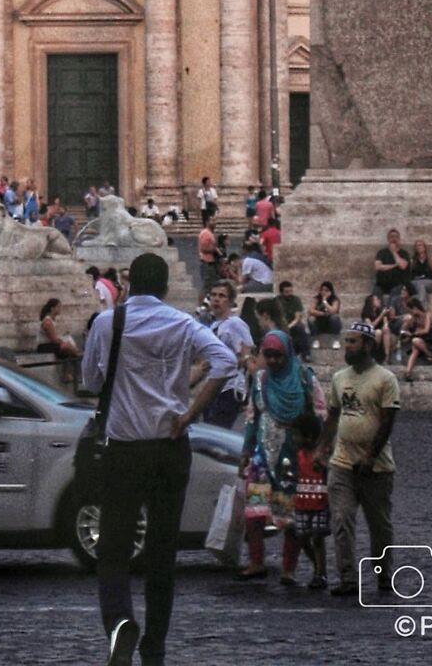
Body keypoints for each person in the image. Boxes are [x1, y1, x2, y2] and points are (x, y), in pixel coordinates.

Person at [80, 249, 233, 666]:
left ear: (129, 284)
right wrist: (190, 413)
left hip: (124, 450)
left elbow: (91, 380)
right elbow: (226, 361)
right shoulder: (184, 323)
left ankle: (120, 622)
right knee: (162, 553)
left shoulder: (108, 322)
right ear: (165, 287)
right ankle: (156, 647)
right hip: (170, 447)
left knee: (113, 548)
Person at [236, 329, 327, 588]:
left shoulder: (304, 378)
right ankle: (256, 562)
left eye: (278, 356)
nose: (274, 361)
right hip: (262, 455)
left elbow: (320, 414)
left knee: (291, 517)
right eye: (269, 355)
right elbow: (253, 419)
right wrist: (245, 451)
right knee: (254, 513)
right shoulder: (260, 380)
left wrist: (316, 451)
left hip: (294, 456)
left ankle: (289, 569)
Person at [320, 319, 400, 598]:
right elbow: (332, 415)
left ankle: (383, 574)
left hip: (376, 467)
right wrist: (322, 448)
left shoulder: (385, 379)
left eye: (353, 342)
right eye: (346, 342)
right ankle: (347, 577)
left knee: (379, 525)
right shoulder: (340, 378)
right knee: (341, 520)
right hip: (342, 462)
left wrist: (370, 456)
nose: (348, 347)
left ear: (367, 344)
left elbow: (388, 421)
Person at [203, 284, 253, 428]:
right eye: (213, 295)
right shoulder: (214, 326)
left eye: (221, 296)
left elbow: (246, 355)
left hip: (229, 387)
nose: (216, 299)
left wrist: (221, 364)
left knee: (218, 430)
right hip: (213, 386)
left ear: (230, 301)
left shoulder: (235, 324)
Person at [39, 296, 83, 393]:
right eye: (58, 307)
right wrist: (65, 343)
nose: (60, 309)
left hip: (50, 345)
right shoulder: (47, 322)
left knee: (67, 348)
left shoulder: (52, 320)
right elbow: (54, 339)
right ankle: (78, 356)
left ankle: (67, 373)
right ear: (52, 308)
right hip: (44, 347)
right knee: (66, 346)